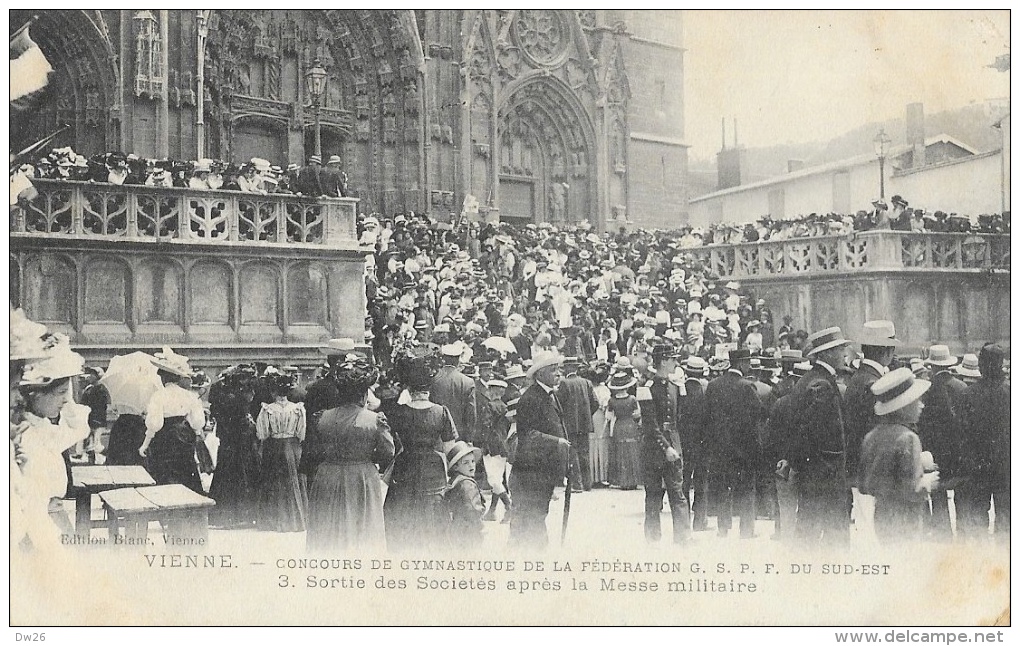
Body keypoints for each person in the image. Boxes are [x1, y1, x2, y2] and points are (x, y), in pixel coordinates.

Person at [305, 356, 394, 553]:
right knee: (361, 527)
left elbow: (314, 449)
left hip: (327, 475)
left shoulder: (322, 418)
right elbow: (388, 452)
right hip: (361, 476)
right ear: (363, 394)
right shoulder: (374, 420)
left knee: (328, 527)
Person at [16, 341, 91, 545]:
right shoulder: (23, 434)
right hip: (36, 524)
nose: (66, 400)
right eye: (60, 394)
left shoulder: (44, 429)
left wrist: (67, 400)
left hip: (56, 516)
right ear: (36, 394)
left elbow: (79, 430)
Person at [384, 347, 459, 551]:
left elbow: (390, 444)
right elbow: (450, 447)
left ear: (409, 388)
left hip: (405, 466)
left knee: (403, 516)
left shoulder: (398, 412)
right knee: (432, 518)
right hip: (433, 469)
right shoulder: (441, 412)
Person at [787, 327, 852, 546]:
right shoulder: (821, 385)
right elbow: (818, 437)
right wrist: (831, 470)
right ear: (826, 354)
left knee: (809, 534)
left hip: (815, 475)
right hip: (825, 478)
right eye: (840, 349)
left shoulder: (810, 379)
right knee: (832, 537)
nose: (844, 353)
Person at [859, 368, 939, 543]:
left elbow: (865, 484)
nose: (921, 405)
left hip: (881, 514)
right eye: (916, 400)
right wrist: (929, 481)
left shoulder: (872, 435)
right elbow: (911, 490)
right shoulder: (908, 438)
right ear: (904, 406)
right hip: (905, 518)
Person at [508, 351, 570, 550]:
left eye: (559, 370)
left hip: (543, 471)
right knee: (530, 520)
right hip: (529, 473)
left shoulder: (550, 395)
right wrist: (556, 442)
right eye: (553, 370)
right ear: (540, 373)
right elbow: (528, 435)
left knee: (535, 517)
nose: (558, 374)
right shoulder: (531, 398)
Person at [843, 321, 898, 527]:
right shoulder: (873, 383)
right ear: (887, 351)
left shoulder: (860, 378)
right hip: (870, 471)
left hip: (860, 469)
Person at [705, 348, 763, 538]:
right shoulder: (747, 386)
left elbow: (708, 417)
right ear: (740, 364)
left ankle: (723, 527)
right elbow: (759, 414)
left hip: (721, 447)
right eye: (747, 362)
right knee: (746, 488)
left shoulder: (714, 385)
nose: (749, 366)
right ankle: (746, 529)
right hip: (745, 448)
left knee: (724, 487)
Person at [956, 344, 1010, 543]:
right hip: (1006, 467)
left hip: (978, 467)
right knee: (1007, 521)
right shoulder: (1010, 393)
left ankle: (981, 564)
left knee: (978, 520)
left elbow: (962, 433)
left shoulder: (968, 395)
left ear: (982, 366)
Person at [139, 348, 206, 494]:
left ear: (163, 378)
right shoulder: (190, 396)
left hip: (165, 436)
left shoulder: (159, 395)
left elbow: (154, 424)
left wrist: (145, 444)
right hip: (184, 434)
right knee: (186, 471)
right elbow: (197, 423)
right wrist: (195, 434)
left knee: (166, 473)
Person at [916, 344, 965, 541]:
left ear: (932, 367)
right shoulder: (961, 387)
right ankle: (963, 536)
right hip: (959, 450)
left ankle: (943, 536)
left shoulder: (929, 389)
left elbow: (925, 424)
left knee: (938, 495)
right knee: (961, 494)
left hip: (937, 452)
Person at [642, 344, 690, 544]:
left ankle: (683, 538)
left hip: (673, 444)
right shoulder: (646, 389)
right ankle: (653, 540)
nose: (676, 363)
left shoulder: (675, 386)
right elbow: (650, 425)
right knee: (654, 497)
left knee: (678, 494)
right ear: (663, 361)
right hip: (654, 449)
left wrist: (676, 446)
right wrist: (667, 447)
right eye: (672, 359)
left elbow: (679, 419)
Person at [207, 364, 260, 529]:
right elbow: (245, 418)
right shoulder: (238, 396)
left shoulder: (221, 393)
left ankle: (223, 514)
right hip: (242, 440)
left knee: (226, 474)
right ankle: (243, 514)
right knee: (242, 475)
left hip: (228, 440)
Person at [255, 369, 307, 532]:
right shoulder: (297, 409)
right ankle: (295, 519)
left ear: (273, 392)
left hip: (274, 447)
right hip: (293, 446)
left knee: (273, 481)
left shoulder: (267, 410)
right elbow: (302, 433)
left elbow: (262, 434)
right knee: (293, 480)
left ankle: (273, 520)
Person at [557, 356, 598, 492]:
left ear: (567, 368)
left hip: (570, 425)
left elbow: (559, 404)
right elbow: (595, 403)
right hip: (585, 424)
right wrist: (586, 415)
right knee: (584, 453)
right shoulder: (587, 383)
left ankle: (577, 484)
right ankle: (587, 484)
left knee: (573, 453)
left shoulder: (564, 383)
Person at [679, 356, 710, 531]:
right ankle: (700, 520)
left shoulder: (680, 391)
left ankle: (683, 519)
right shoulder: (706, 391)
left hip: (684, 443)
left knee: (683, 481)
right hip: (703, 443)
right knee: (701, 482)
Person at [477, 377, 512, 522]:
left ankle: (509, 507)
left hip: (491, 447)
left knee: (493, 480)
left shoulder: (489, 407)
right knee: (497, 478)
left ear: (492, 391)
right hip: (503, 446)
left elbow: (485, 426)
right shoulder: (505, 407)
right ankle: (492, 512)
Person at [430, 343, 477, 445]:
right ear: (458, 359)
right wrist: (469, 439)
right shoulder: (467, 382)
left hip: (437, 434)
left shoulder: (433, 379)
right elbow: (471, 414)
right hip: (459, 435)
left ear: (443, 359)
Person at [444, 441, 485, 549]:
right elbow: (473, 509)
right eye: (466, 463)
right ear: (456, 467)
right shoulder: (468, 484)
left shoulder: (454, 481)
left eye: (472, 461)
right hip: (469, 529)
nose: (471, 465)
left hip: (456, 527)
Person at [607, 370, 641, 490]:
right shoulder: (632, 399)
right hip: (630, 425)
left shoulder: (611, 400)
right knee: (632, 452)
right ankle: (633, 480)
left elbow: (609, 416)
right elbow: (637, 415)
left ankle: (623, 481)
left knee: (620, 453)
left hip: (619, 425)